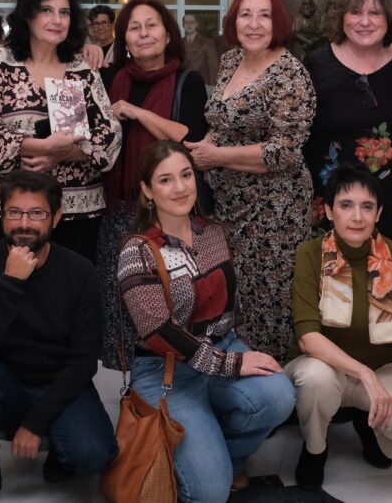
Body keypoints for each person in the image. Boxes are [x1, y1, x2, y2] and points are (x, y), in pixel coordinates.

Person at [118, 140, 295, 502]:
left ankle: (227, 456)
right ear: (147, 191)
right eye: (165, 180)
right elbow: (159, 333)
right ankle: (206, 452)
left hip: (221, 347)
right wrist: (233, 364)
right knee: (210, 494)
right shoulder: (136, 251)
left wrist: (240, 351)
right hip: (167, 370)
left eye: (186, 175)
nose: (180, 187)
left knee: (279, 396)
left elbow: (233, 307)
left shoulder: (212, 233)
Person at [0, 170, 117, 503]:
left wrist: (36, 423)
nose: (24, 223)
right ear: (2, 216)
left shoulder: (80, 271)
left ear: (56, 217)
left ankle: (59, 445)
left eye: (36, 213)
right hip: (4, 384)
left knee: (94, 455)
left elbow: (84, 361)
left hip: (60, 382)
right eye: (15, 212)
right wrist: (10, 283)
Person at [186, 0, 316, 360]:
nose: (254, 24)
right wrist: (206, 146)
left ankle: (270, 396)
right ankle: (240, 385)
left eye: (264, 15)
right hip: (228, 207)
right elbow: (223, 121)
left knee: (267, 305)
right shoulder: (230, 61)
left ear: (278, 22)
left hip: (274, 212)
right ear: (234, 21)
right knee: (233, 297)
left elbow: (285, 152)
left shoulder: (290, 74)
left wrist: (216, 157)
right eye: (246, 14)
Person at [285, 162, 392, 489]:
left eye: (367, 207)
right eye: (346, 205)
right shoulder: (310, 253)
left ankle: (372, 430)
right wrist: (364, 375)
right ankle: (314, 449)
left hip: (382, 367)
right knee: (314, 380)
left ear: (379, 213)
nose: (357, 217)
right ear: (328, 210)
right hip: (325, 367)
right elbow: (308, 337)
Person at [0, 0, 121, 263]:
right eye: (47, 10)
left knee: (67, 297)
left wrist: (61, 153)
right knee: (15, 294)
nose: (57, 20)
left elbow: (110, 138)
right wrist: (43, 147)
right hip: (8, 208)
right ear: (27, 14)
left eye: (64, 12)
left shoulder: (82, 66)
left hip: (76, 207)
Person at [98, 0, 208, 370]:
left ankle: (173, 374)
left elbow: (187, 135)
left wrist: (134, 111)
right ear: (123, 39)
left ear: (167, 34)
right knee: (120, 299)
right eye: (134, 27)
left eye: (152, 25)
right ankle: (129, 388)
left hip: (170, 209)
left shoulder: (187, 81)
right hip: (120, 207)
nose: (144, 34)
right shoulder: (108, 79)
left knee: (169, 295)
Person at [304, 0, 392, 246]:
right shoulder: (317, 63)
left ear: (388, 19)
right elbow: (304, 134)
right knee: (334, 279)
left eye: (374, 13)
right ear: (342, 19)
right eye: (356, 12)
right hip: (331, 197)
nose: (365, 21)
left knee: (386, 277)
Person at [182, 13, 220, 88]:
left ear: (196, 24)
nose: (189, 25)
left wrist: (213, 85)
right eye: (186, 22)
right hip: (184, 83)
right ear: (183, 25)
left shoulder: (207, 42)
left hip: (203, 83)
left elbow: (213, 65)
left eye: (192, 22)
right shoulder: (179, 42)